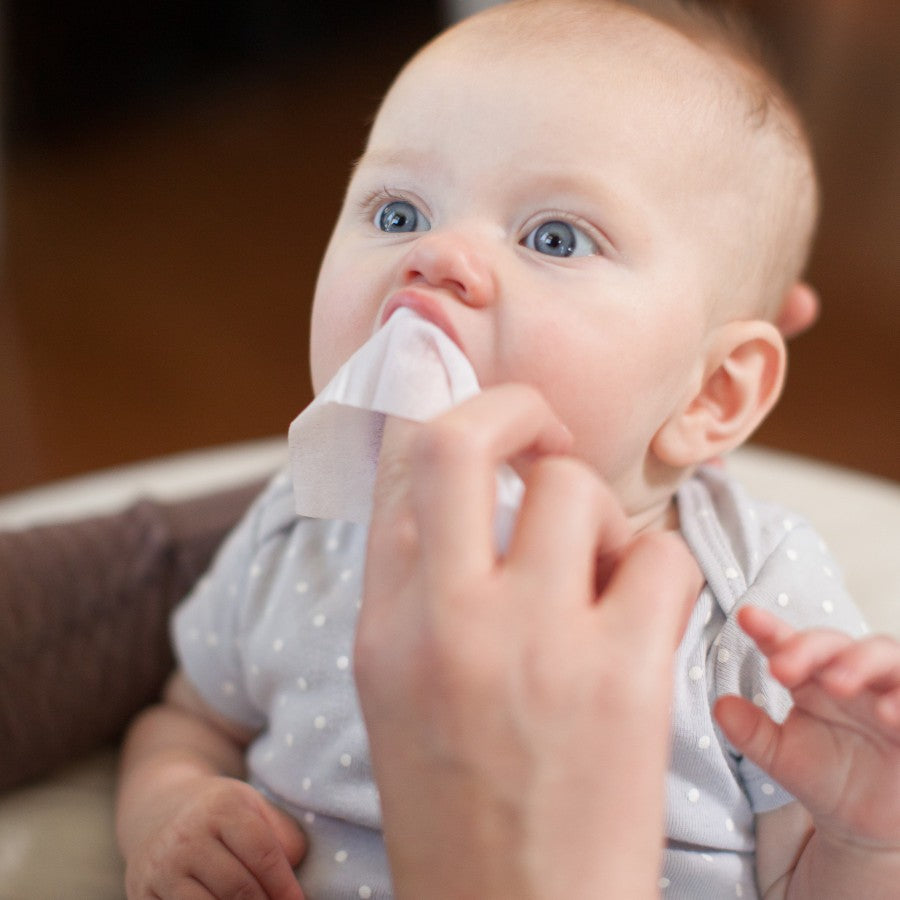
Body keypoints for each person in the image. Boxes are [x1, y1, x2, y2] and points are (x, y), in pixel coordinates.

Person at [116, 1, 900, 897]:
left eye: (554, 237)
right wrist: (167, 809)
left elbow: (805, 878)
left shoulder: (753, 608)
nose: (436, 256)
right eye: (399, 211)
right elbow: (188, 720)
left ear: (712, 391)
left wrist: (864, 845)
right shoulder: (304, 524)